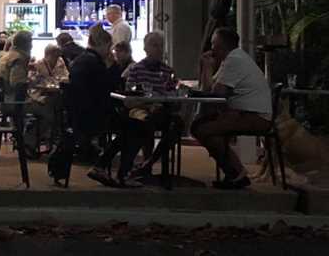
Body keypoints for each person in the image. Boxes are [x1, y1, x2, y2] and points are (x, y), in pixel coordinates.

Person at [90, 31, 177, 187]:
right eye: (155, 45)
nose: (158, 49)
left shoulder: (168, 71)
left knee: (176, 125)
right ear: (146, 48)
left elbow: (172, 95)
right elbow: (129, 98)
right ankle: (130, 170)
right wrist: (148, 104)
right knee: (140, 124)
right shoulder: (136, 69)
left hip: (160, 111)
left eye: (161, 46)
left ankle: (146, 164)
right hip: (138, 110)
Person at [191, 27, 273, 190]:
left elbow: (216, 94)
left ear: (222, 46)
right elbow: (209, 90)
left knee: (202, 129)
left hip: (255, 117)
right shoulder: (229, 60)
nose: (211, 48)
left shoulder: (234, 60)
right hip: (240, 113)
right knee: (198, 126)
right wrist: (206, 68)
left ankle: (236, 174)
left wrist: (207, 68)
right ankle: (235, 173)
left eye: (214, 44)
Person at [67, 25, 121, 159]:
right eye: (109, 46)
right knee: (132, 125)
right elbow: (109, 87)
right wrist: (113, 66)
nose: (110, 51)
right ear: (101, 45)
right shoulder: (96, 63)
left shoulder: (78, 61)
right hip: (96, 113)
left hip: (77, 112)